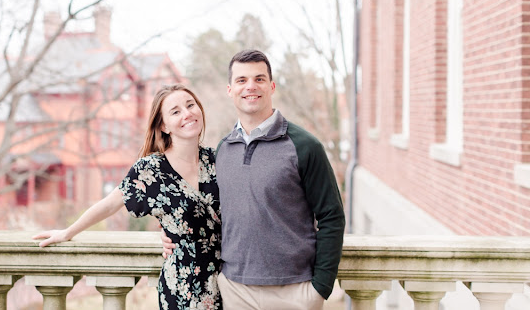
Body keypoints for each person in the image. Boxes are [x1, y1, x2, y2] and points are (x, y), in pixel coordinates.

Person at [163, 49, 345, 310]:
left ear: (271, 86)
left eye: (259, 79)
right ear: (230, 90)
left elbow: (331, 216)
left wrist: (320, 287)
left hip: (294, 291)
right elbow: (209, 214)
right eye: (241, 80)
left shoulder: (304, 146)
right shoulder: (223, 150)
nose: (250, 86)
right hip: (235, 290)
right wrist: (170, 233)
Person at [33, 84, 222, 310]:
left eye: (190, 105)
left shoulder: (219, 159)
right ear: (163, 125)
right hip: (184, 287)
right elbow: (111, 203)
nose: (187, 113)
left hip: (230, 281)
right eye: (175, 111)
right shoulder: (151, 170)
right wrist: (67, 232)